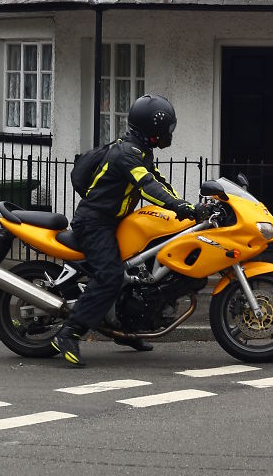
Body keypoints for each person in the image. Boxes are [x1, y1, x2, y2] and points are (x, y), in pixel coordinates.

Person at [52, 94, 202, 367]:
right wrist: (180, 206)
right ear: (152, 128)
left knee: (138, 272)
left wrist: (186, 208)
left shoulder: (140, 151)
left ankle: (126, 329)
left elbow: (158, 181)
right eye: (167, 128)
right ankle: (69, 332)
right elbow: (147, 186)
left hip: (114, 221)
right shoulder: (127, 154)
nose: (170, 133)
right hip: (94, 222)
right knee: (110, 275)